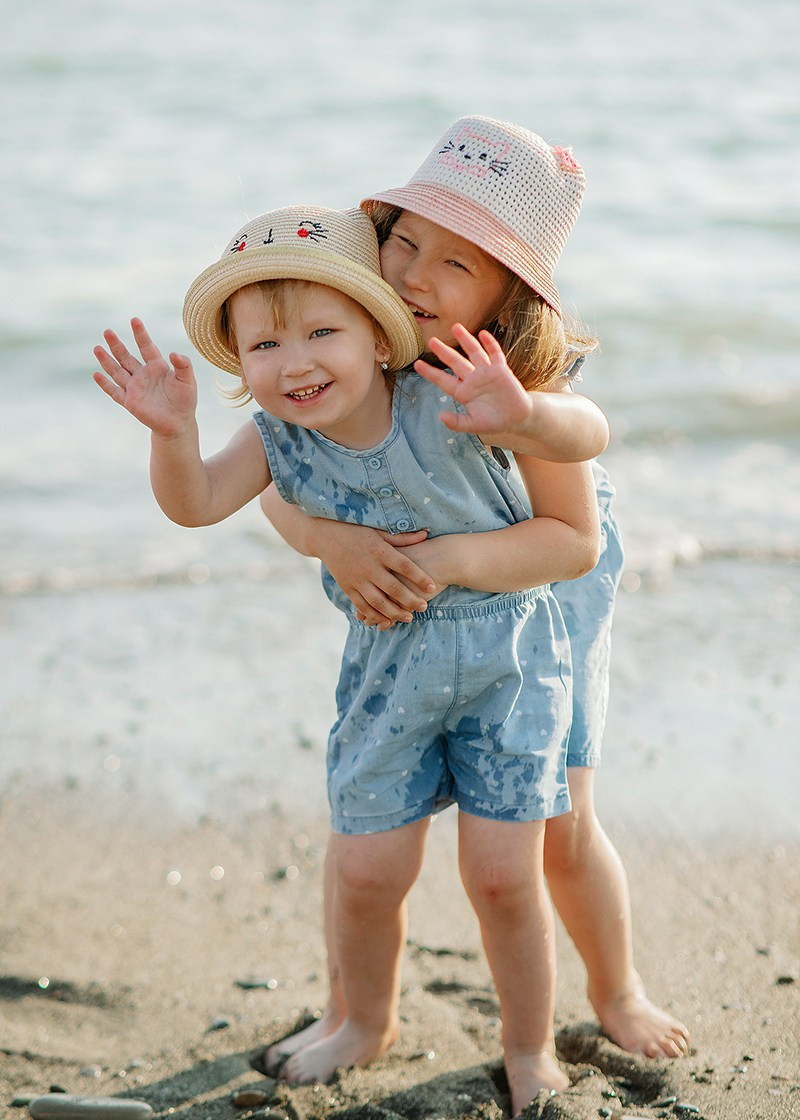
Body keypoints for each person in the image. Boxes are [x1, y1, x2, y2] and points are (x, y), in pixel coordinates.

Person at [92, 200, 601, 1114]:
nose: (295, 363)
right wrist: (173, 436)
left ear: (378, 332)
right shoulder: (280, 435)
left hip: (511, 667)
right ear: (240, 363)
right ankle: (365, 1020)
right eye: (263, 347)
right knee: (368, 872)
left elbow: (568, 543)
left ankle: (529, 1045)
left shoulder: (453, 394)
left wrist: (454, 545)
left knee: (501, 876)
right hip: (387, 673)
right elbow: (198, 504)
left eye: (322, 331)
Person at [258, 116, 691, 1078]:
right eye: (404, 240)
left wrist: (522, 416)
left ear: (507, 297)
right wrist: (331, 539)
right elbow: (275, 487)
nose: (413, 274)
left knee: (559, 827)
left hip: (541, 594)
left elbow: (573, 522)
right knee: (366, 831)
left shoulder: (516, 376)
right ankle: (356, 1013)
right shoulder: (351, 340)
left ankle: (614, 990)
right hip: (417, 616)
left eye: (456, 264)